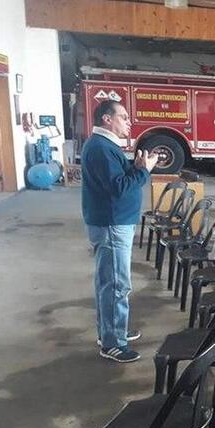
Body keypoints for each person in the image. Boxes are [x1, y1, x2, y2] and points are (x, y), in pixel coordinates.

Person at [81, 99, 157, 363]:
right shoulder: (102, 148)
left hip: (112, 222)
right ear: (107, 119)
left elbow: (118, 180)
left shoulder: (104, 146)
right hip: (112, 224)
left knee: (108, 281)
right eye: (123, 117)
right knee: (116, 284)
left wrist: (135, 168)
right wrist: (144, 171)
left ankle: (111, 332)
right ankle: (113, 343)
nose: (128, 121)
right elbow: (120, 188)